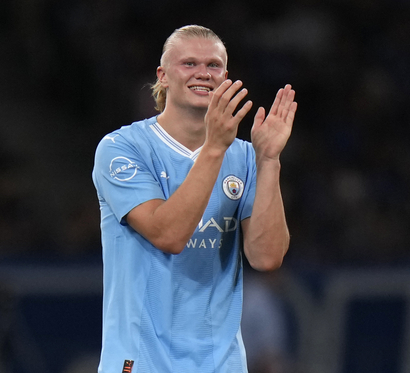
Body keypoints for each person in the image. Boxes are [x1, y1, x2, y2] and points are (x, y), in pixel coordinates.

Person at [92, 24, 297, 373]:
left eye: (213, 65)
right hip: (140, 363)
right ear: (164, 75)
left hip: (222, 364)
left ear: (226, 77)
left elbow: (266, 257)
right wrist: (215, 147)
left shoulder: (246, 157)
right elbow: (168, 235)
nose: (203, 73)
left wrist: (268, 160)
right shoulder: (122, 149)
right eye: (189, 63)